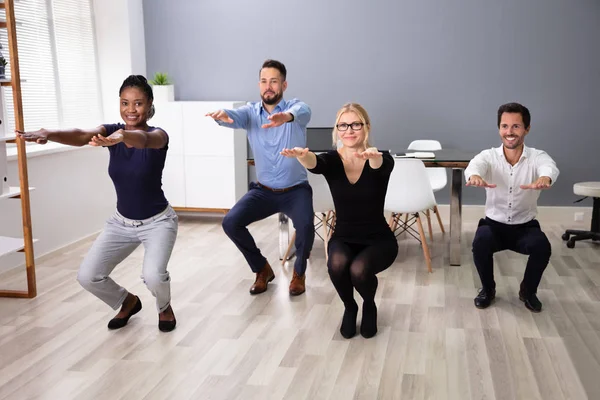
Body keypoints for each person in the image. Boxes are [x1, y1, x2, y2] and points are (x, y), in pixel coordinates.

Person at [16, 75, 178, 331]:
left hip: (158, 222)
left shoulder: (158, 136)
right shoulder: (110, 129)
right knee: (88, 276)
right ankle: (127, 302)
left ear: (149, 104)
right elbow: (82, 135)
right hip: (120, 223)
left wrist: (122, 137)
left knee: (153, 276)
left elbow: (144, 141)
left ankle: (164, 306)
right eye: (125, 103)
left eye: (138, 103)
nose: (131, 110)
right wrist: (48, 133)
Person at [281, 103, 398, 338]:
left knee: (359, 270)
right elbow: (317, 163)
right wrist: (304, 157)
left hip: (379, 240)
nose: (349, 130)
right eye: (343, 125)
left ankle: (368, 304)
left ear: (366, 127)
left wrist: (373, 158)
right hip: (344, 236)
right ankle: (350, 306)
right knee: (336, 264)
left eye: (356, 124)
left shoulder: (382, 158)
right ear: (337, 129)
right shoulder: (333, 160)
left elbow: (378, 168)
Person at [206, 59, 314, 296]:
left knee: (306, 226)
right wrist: (223, 115)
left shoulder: (296, 108)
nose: (268, 86)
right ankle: (262, 269)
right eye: (264, 81)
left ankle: (299, 273)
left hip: (295, 190)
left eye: (274, 81)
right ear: (259, 85)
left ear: (283, 85)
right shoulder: (250, 112)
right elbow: (234, 116)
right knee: (231, 222)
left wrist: (286, 117)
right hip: (263, 191)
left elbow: (303, 111)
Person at [465, 102, 559, 313]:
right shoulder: (488, 156)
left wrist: (545, 177)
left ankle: (528, 291)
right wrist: (475, 176)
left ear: (527, 129)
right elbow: (475, 165)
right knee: (480, 242)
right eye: (504, 126)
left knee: (542, 247)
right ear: (499, 128)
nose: (509, 132)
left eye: (516, 126)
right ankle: (488, 290)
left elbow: (549, 167)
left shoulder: (537, 156)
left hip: (524, 226)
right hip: (494, 225)